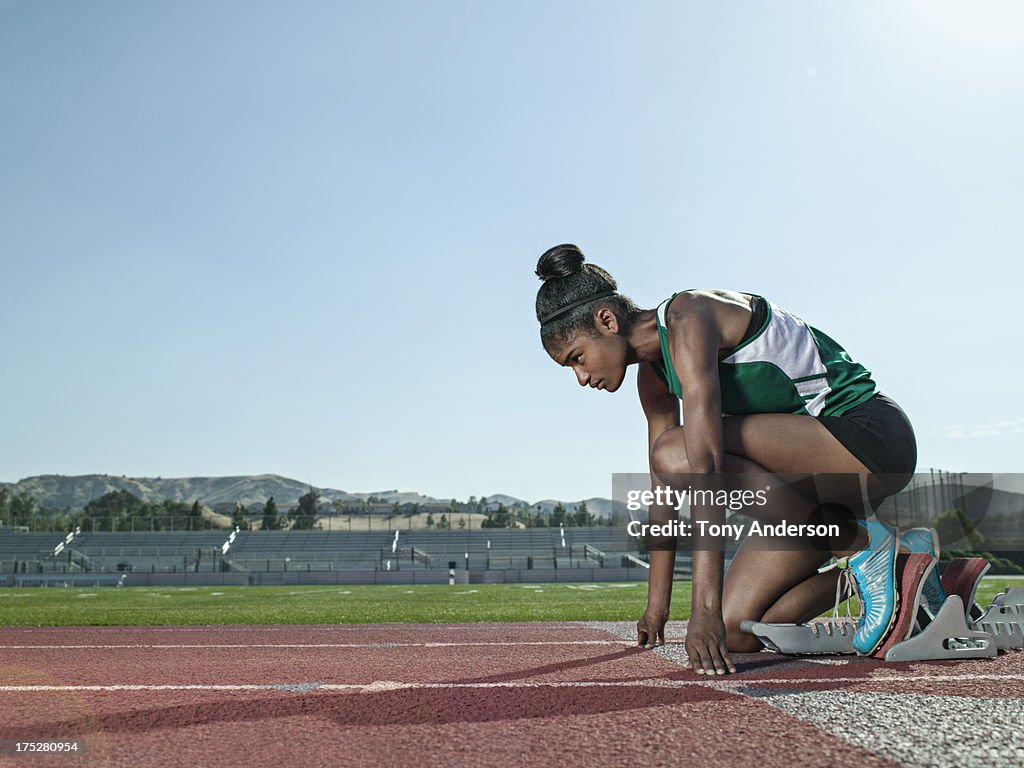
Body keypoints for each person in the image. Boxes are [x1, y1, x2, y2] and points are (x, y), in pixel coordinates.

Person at [534, 244, 921, 676]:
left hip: (866, 440)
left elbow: (705, 468)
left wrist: (702, 609)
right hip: (814, 489)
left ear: (606, 321)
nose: (582, 378)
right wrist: (656, 607)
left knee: (676, 452)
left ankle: (861, 544)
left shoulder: (689, 317)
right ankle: (907, 566)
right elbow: (663, 491)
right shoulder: (653, 376)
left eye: (577, 359)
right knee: (739, 630)